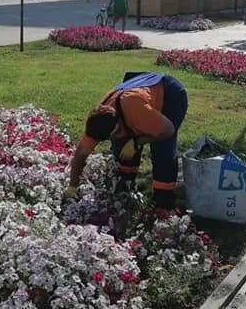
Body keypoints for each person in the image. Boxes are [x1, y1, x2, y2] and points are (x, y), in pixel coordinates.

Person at [65, 72, 188, 209]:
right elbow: (81, 153)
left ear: (117, 126)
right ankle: (125, 187)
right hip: (137, 91)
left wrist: (137, 141)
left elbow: (168, 130)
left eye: (114, 135)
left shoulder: (136, 109)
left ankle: (163, 200)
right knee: (121, 145)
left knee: (162, 150)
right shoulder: (99, 119)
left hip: (169, 94)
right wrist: (72, 186)